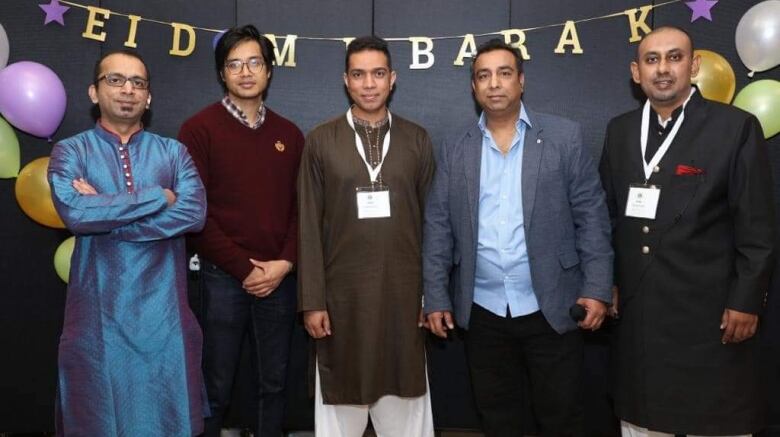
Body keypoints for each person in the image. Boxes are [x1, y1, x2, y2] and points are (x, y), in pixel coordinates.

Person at [422, 38, 613, 437]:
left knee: (562, 418)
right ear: (474, 87)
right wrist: (437, 295)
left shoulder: (564, 137)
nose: (494, 84)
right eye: (483, 75)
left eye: (504, 73)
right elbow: (439, 225)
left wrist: (596, 289)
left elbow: (591, 219)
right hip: (484, 308)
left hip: (553, 305)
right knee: (499, 419)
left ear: (521, 82)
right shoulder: (456, 147)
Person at [599, 26, 775, 437]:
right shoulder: (620, 130)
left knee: (716, 421)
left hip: (711, 318)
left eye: (674, 57)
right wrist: (605, 280)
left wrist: (747, 300)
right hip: (640, 315)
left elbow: (757, 226)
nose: (663, 69)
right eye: (652, 59)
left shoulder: (735, 128)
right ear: (635, 72)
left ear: (693, 66)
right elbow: (605, 215)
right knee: (642, 420)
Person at [47, 49, 207, 436]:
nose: (127, 90)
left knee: (168, 419)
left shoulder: (174, 152)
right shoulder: (71, 151)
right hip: (97, 319)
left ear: (149, 97)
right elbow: (77, 215)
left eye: (138, 83)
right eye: (115, 80)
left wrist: (108, 216)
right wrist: (156, 198)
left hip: (164, 317)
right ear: (93, 91)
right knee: (99, 419)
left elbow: (193, 214)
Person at [297, 35, 435, 437]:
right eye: (359, 74)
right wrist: (312, 302)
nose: (369, 84)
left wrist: (433, 297)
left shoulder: (417, 139)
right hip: (341, 305)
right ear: (346, 80)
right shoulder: (321, 140)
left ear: (392, 79)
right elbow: (307, 224)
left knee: (406, 410)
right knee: (341, 411)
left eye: (378, 74)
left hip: (405, 302)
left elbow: (434, 227)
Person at [178, 25, 304, 437]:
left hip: (280, 280)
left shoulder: (290, 134)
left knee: (276, 383)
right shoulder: (198, 130)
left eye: (254, 62)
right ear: (221, 73)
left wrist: (284, 263)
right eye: (234, 64)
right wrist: (243, 269)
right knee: (215, 384)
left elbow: (301, 210)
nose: (245, 72)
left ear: (269, 70)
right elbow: (195, 213)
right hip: (222, 278)